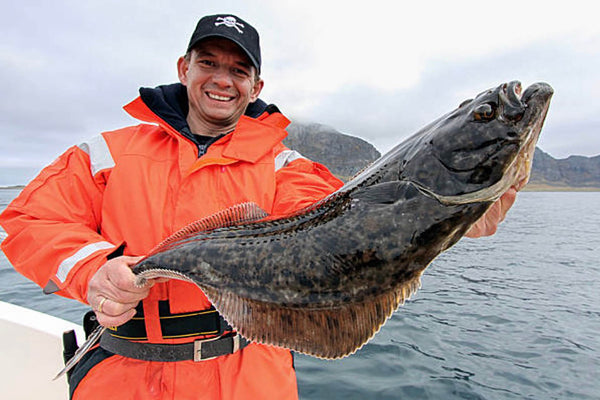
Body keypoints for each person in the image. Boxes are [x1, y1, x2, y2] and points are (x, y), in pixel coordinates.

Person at [0, 13, 517, 400]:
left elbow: (347, 235)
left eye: (239, 69)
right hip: (123, 377)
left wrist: (449, 221)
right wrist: (92, 270)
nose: (223, 79)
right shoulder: (105, 153)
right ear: (184, 68)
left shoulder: (286, 166)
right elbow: (28, 219)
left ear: (256, 87)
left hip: (248, 380)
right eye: (209, 63)